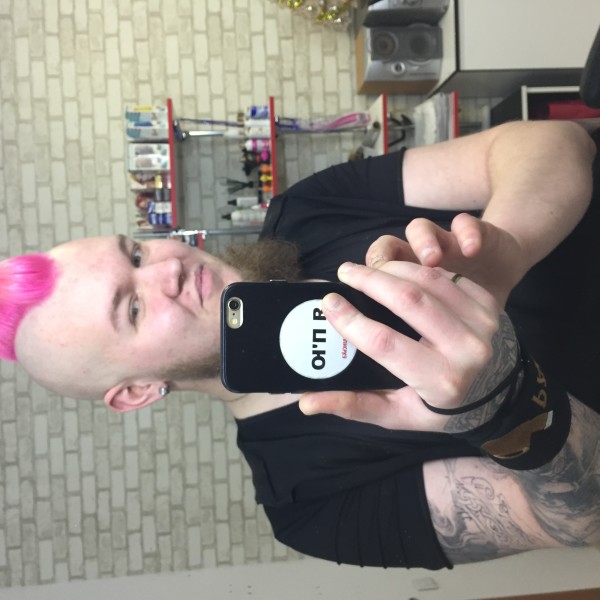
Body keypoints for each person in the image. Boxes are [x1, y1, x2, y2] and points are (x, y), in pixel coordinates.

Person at [2, 119, 600, 569]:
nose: (167, 269)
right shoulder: (311, 504)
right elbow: (583, 521)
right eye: (132, 308)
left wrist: (510, 249)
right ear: (137, 392)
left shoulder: (306, 211)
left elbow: (556, 141)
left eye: (134, 253)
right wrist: (502, 406)